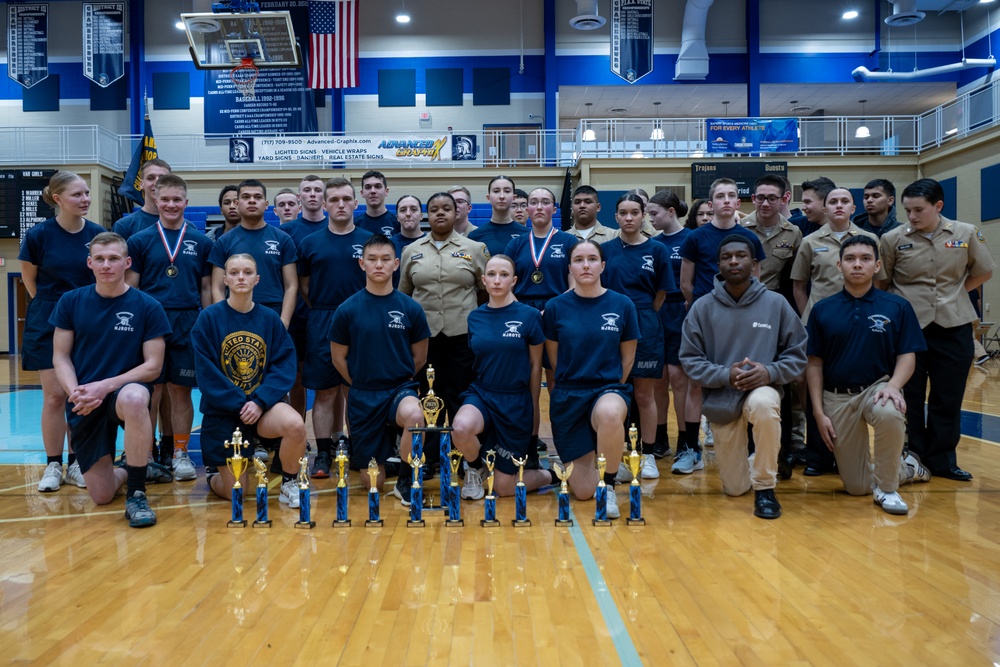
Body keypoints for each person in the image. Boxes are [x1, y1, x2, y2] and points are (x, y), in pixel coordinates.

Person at [680, 235, 807, 519]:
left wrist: (769, 372)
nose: (734, 261)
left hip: (762, 389)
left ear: (754, 264)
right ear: (718, 264)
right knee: (735, 489)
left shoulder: (776, 303)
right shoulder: (702, 307)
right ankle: (758, 462)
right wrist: (726, 374)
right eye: (727, 257)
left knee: (764, 404)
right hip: (722, 399)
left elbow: (798, 354)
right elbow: (689, 359)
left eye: (741, 256)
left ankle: (765, 487)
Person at [879, 178, 996, 481]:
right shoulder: (892, 239)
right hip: (910, 329)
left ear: (938, 206)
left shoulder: (966, 233)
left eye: (919, 210)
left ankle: (944, 461)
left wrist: (956, 293)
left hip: (953, 326)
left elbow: (983, 271)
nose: (912, 217)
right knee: (911, 397)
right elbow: (883, 282)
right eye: (907, 210)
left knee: (949, 396)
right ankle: (914, 456)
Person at [51, 232, 171, 527]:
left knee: (134, 398)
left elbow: (153, 367)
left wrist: (105, 387)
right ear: (89, 263)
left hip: (121, 392)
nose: (107, 265)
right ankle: (136, 468)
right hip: (86, 399)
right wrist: (76, 393)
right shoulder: (70, 302)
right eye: (100, 259)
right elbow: (60, 357)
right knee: (102, 495)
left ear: (126, 262)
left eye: (114, 259)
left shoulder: (147, 306)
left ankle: (137, 493)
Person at [806, 236, 931, 515]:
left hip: (878, 387)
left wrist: (894, 386)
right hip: (837, 397)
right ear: (839, 265)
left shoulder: (897, 306)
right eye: (850, 259)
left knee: (889, 411)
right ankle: (908, 467)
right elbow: (813, 363)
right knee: (857, 486)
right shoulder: (822, 309)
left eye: (865, 259)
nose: (857, 265)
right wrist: (818, 411)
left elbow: (907, 354)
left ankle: (888, 490)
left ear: (877, 266)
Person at [191, 254, 307, 508]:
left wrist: (260, 401)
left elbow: (283, 367)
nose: (240, 277)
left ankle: (290, 482)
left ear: (257, 279)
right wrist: (239, 403)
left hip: (260, 408)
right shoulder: (208, 319)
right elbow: (207, 373)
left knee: (295, 424)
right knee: (238, 493)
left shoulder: (270, 320)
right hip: (224, 411)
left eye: (247, 272)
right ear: (224, 280)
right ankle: (213, 473)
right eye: (234, 273)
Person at [19, 171, 106, 493]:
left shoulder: (97, 234)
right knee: (55, 396)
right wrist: (55, 309)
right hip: (49, 316)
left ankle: (77, 463)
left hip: (88, 319)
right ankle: (53, 464)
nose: (85, 200)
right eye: (77, 195)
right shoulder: (38, 235)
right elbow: (31, 281)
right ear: (57, 199)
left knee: (80, 396)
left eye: (86, 193)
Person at [329, 234, 429, 505]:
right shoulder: (346, 310)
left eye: (385, 259)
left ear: (396, 264)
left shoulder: (410, 308)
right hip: (363, 394)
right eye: (372, 259)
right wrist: (360, 382)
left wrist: (402, 379)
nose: (379, 265)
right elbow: (339, 358)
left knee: (416, 416)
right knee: (372, 482)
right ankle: (393, 457)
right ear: (362, 264)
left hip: (399, 388)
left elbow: (419, 356)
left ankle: (406, 480)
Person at [126, 174, 213, 482]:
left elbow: (206, 288)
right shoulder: (138, 241)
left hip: (188, 321)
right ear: (155, 200)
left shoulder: (202, 241)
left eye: (178, 199)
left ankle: (180, 453)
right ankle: (146, 455)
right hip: (150, 323)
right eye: (166, 199)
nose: (171, 204)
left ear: (186, 202)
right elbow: (131, 289)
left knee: (181, 392)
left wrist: (207, 321)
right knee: (151, 391)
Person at [677, 178, 766, 475]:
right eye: (720, 196)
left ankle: (750, 449)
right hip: (705, 316)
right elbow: (685, 283)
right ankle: (691, 449)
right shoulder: (695, 237)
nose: (726, 200)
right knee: (694, 384)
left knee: (746, 377)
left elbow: (757, 280)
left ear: (738, 202)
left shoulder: (750, 238)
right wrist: (703, 307)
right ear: (711, 203)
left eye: (731, 195)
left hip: (743, 319)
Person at [544, 240, 639, 520]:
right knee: (584, 491)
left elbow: (628, 358)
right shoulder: (555, 307)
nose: (586, 265)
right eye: (579, 260)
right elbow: (554, 359)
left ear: (603, 265)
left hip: (608, 388)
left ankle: (607, 486)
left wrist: (610, 388)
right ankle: (606, 460)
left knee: (610, 413)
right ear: (570, 266)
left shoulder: (622, 304)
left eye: (592, 259)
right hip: (569, 394)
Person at [791, 187, 882, 476]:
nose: (839, 206)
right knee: (813, 387)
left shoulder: (871, 241)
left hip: (858, 324)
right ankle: (817, 456)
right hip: (821, 325)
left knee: (851, 386)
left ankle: (853, 453)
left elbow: (879, 283)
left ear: (854, 207)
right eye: (833, 202)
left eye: (845, 201)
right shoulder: (809, 242)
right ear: (825, 208)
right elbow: (799, 284)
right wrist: (811, 317)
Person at [452, 255, 554, 499]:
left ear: (514, 281)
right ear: (484, 280)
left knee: (504, 488)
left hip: (515, 402)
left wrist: (531, 423)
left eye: (504, 275)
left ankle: (555, 475)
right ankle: (475, 469)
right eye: (492, 275)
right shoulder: (474, 317)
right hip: (483, 394)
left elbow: (534, 367)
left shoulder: (529, 317)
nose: (497, 280)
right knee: (460, 427)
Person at [297, 177, 372, 477]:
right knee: (325, 392)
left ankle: (358, 447)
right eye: (335, 200)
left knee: (357, 389)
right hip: (322, 321)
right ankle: (324, 454)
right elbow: (304, 287)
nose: (341, 204)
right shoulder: (309, 243)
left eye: (346, 199)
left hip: (362, 320)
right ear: (325, 205)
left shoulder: (370, 240)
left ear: (356, 203)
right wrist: (325, 312)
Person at [601, 193, 674, 481]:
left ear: (644, 215)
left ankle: (648, 454)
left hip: (645, 322)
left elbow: (661, 293)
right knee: (615, 393)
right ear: (616, 217)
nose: (629, 218)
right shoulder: (605, 250)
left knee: (644, 394)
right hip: (610, 324)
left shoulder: (657, 250)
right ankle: (616, 457)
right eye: (623, 213)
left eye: (634, 212)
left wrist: (638, 316)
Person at [400, 192, 489, 426]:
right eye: (434, 209)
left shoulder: (476, 248)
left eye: (446, 208)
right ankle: (430, 457)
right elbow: (405, 296)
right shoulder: (411, 251)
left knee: (460, 394)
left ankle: (460, 455)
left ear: (456, 212)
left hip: (462, 337)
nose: (440, 212)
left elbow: (485, 291)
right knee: (430, 396)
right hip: (425, 338)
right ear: (426, 215)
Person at [504, 187, 578, 460]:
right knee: (528, 385)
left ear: (554, 209)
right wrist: (523, 313)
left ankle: (567, 443)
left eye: (545, 202)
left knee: (558, 383)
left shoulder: (568, 241)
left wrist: (553, 310)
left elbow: (574, 285)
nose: (538, 207)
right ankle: (530, 445)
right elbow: (507, 281)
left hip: (558, 315)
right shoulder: (516, 244)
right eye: (533, 202)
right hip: (524, 315)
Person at [278, 175, 329, 435]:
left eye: (317, 190)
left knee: (332, 382)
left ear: (324, 196)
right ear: (300, 198)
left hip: (327, 317)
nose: (312, 194)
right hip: (296, 316)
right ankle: (297, 434)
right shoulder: (286, 233)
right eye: (307, 190)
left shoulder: (335, 227)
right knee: (296, 378)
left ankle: (336, 435)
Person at [208, 179, 298, 327]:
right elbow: (217, 287)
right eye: (246, 197)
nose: (251, 201)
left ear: (266, 204)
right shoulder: (224, 241)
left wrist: (284, 322)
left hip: (273, 312)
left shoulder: (283, 239)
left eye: (257, 197)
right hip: (235, 311)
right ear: (237, 203)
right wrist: (224, 319)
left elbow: (292, 286)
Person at [647, 189, 691, 459]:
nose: (650, 219)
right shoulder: (653, 244)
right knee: (658, 380)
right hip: (658, 310)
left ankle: (686, 438)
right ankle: (660, 436)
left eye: (654, 213)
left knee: (679, 377)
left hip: (682, 310)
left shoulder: (691, 239)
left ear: (671, 212)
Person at [742, 175, 802, 293]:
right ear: (753, 198)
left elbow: (798, 274)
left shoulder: (793, 233)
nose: (765, 204)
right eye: (760, 198)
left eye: (772, 198)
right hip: (741, 295)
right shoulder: (740, 228)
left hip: (773, 297)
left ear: (783, 200)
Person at [112, 158, 172, 240]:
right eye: (150, 178)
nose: (157, 183)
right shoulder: (124, 226)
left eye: (162, 178)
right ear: (141, 184)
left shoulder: (186, 227)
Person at [469, 175, 527, 257]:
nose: (502, 196)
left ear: (514, 198)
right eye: (496, 191)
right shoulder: (475, 236)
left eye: (507, 191)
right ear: (488, 197)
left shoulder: (527, 234)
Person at [390, 194, 426, 287]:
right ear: (397, 217)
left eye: (413, 209)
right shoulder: (388, 245)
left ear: (421, 216)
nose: (408, 214)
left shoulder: (431, 243)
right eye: (403, 210)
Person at [355, 170, 400, 236]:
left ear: (386, 191)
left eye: (378, 186)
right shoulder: (355, 224)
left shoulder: (397, 222)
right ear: (362, 193)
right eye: (368, 187)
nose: (373, 191)